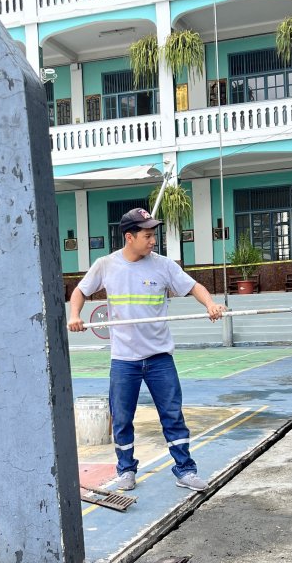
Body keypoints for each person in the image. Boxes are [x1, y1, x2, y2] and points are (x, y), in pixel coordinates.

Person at [68, 207, 227, 492]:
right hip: (124, 360)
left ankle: (185, 470)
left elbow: (194, 287)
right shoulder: (106, 265)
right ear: (129, 237)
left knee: (173, 415)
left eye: (154, 235)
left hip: (159, 358)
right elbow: (80, 290)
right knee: (122, 418)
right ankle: (126, 470)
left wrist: (210, 304)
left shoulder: (163, 266)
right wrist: (75, 316)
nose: (153, 241)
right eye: (147, 236)